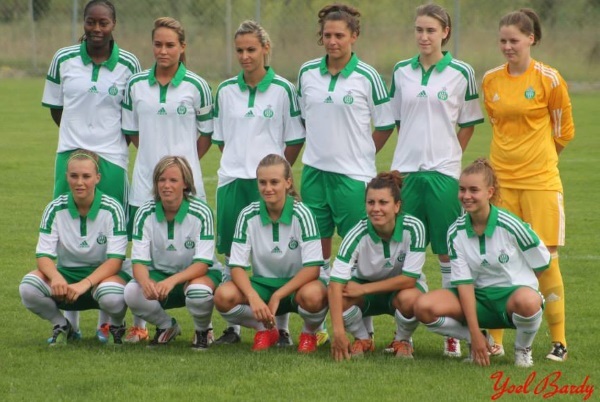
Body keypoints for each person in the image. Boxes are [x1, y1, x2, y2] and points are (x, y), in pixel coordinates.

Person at [41, 0, 141, 343]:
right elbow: (57, 109)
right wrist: (78, 144)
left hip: (112, 157)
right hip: (70, 153)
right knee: (68, 230)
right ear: (83, 23)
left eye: (103, 23)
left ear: (114, 24)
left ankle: (105, 320)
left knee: (110, 233)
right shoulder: (63, 58)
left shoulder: (129, 64)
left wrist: (103, 145)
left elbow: (129, 118)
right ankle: (69, 320)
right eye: (90, 22)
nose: (96, 29)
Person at [389, 3, 484, 357]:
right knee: (404, 254)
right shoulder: (401, 71)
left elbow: (469, 122)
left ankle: (451, 334)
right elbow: (400, 120)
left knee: (447, 254)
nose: (423, 36)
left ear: (445, 32)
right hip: (407, 174)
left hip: (444, 175)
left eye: (430, 30)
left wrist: (449, 157)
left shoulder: (461, 72)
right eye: (419, 30)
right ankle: (403, 335)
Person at [297, 3, 395, 340]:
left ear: (354, 36)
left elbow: (384, 125)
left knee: (356, 254)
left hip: (353, 179)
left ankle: (362, 331)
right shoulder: (307, 72)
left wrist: (362, 153)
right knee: (316, 253)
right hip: (313, 174)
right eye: (327, 35)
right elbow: (304, 118)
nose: (333, 41)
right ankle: (316, 328)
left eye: (340, 35)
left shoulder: (368, 77)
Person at [482, 8, 575, 362]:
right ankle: (496, 340)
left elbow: (564, 130)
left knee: (546, 259)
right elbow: (497, 124)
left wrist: (541, 162)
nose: (508, 46)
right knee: (498, 258)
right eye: (503, 41)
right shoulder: (490, 80)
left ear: (530, 39)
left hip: (540, 183)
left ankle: (559, 342)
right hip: (501, 185)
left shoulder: (549, 79)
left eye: (514, 40)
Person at [211, 20, 305, 346]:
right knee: (230, 254)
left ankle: (283, 329)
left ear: (265, 49)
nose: (245, 56)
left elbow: (294, 139)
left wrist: (276, 173)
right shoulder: (224, 90)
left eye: (251, 49)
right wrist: (239, 162)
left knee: (274, 255)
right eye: (239, 50)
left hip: (267, 183)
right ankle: (233, 328)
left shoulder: (283, 89)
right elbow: (221, 139)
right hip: (232, 180)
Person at [414, 159, 550, 367]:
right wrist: (474, 333)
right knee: (423, 306)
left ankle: (523, 349)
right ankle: (476, 340)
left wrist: (525, 288)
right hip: (477, 299)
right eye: (462, 190)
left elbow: (541, 262)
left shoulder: (511, 225)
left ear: (490, 192)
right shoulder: (455, 232)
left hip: (511, 299)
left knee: (529, 301)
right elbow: (464, 284)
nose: (466, 196)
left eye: (473, 190)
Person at [214, 154, 328, 353]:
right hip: (263, 285)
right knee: (223, 296)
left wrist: (277, 296)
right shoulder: (248, 214)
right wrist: (253, 297)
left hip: (298, 286)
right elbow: (237, 266)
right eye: (262, 182)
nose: (268, 188)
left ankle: (309, 332)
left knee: (314, 296)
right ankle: (266, 329)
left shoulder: (303, 214)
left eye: (274, 182)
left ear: (288, 183)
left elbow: (313, 269)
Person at [19, 150, 129, 345]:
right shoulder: (54, 208)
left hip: (101, 278)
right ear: (66, 177)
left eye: (86, 176)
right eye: (74, 176)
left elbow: (115, 260)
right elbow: (43, 256)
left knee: (112, 295)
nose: (80, 182)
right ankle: (63, 325)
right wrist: (56, 277)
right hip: (67, 276)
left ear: (97, 178)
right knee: (28, 287)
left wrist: (84, 283)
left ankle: (115, 325)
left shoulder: (113, 208)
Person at [122, 16, 213, 231]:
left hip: (186, 182)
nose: (163, 51)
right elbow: (132, 131)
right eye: (158, 45)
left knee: (189, 244)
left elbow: (207, 134)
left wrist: (182, 166)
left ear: (182, 47)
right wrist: (152, 156)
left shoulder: (198, 86)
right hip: (145, 180)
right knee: (144, 248)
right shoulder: (135, 84)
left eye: (170, 45)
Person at [123, 156, 221, 349]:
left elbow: (202, 264)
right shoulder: (145, 212)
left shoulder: (202, 212)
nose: (166, 185)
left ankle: (203, 331)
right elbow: (139, 263)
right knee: (132, 291)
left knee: (198, 292)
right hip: (160, 275)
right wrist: (146, 282)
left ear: (185, 184)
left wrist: (172, 281)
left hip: (196, 275)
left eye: (173, 180)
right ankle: (166, 326)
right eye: (161, 180)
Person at [329, 171, 427, 361]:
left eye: (383, 203)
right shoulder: (357, 233)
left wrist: (364, 288)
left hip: (398, 290)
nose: (376, 208)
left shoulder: (414, 228)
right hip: (367, 293)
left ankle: (402, 341)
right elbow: (334, 284)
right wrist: (338, 332)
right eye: (371, 202)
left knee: (412, 299)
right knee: (339, 296)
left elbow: (409, 279)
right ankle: (363, 339)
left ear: (397, 206)